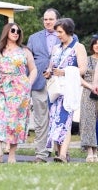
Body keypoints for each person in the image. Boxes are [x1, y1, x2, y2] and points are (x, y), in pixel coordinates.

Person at [0, 23, 37, 163]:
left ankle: (12, 155)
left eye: (18, 31)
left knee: (14, 121)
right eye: (13, 30)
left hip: (18, 89)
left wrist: (27, 84)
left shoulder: (24, 51)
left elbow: (33, 70)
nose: (16, 33)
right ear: (6, 32)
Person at [43, 18, 87, 163]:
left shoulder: (78, 47)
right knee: (55, 120)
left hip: (68, 89)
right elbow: (51, 65)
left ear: (68, 31)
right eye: (56, 32)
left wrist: (65, 72)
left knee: (65, 120)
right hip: (55, 89)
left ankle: (62, 154)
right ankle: (59, 151)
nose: (58, 35)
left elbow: (83, 69)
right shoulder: (56, 48)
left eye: (60, 32)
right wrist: (49, 72)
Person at [27, 8, 61, 163]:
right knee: (41, 120)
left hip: (59, 83)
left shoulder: (67, 36)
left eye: (51, 19)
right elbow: (28, 62)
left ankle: (60, 152)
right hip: (39, 83)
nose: (47, 22)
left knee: (59, 117)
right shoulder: (34, 38)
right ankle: (40, 154)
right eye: (45, 19)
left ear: (57, 20)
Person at [80, 35, 98, 162]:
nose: (97, 45)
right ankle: (90, 151)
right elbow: (78, 77)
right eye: (95, 43)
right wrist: (90, 86)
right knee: (88, 121)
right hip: (88, 92)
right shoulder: (86, 60)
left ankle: (96, 151)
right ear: (92, 45)